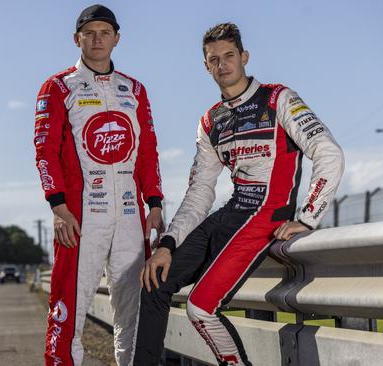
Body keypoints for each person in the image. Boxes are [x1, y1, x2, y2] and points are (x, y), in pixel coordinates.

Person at [133, 23, 344, 366]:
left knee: (201, 308)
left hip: (266, 216)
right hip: (230, 214)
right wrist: (168, 244)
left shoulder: (279, 98)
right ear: (206, 66)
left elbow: (329, 153)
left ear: (244, 57)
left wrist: (307, 218)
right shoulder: (210, 120)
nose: (222, 64)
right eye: (213, 59)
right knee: (154, 281)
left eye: (229, 55)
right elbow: (200, 191)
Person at [34, 4, 164, 366]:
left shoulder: (134, 89)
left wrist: (154, 204)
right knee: (67, 311)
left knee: (133, 315)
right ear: (77, 39)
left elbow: (147, 152)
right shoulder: (59, 87)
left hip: (129, 218)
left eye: (104, 32)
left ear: (116, 39)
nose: (97, 39)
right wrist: (58, 208)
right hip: (80, 218)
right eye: (89, 33)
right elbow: (45, 151)